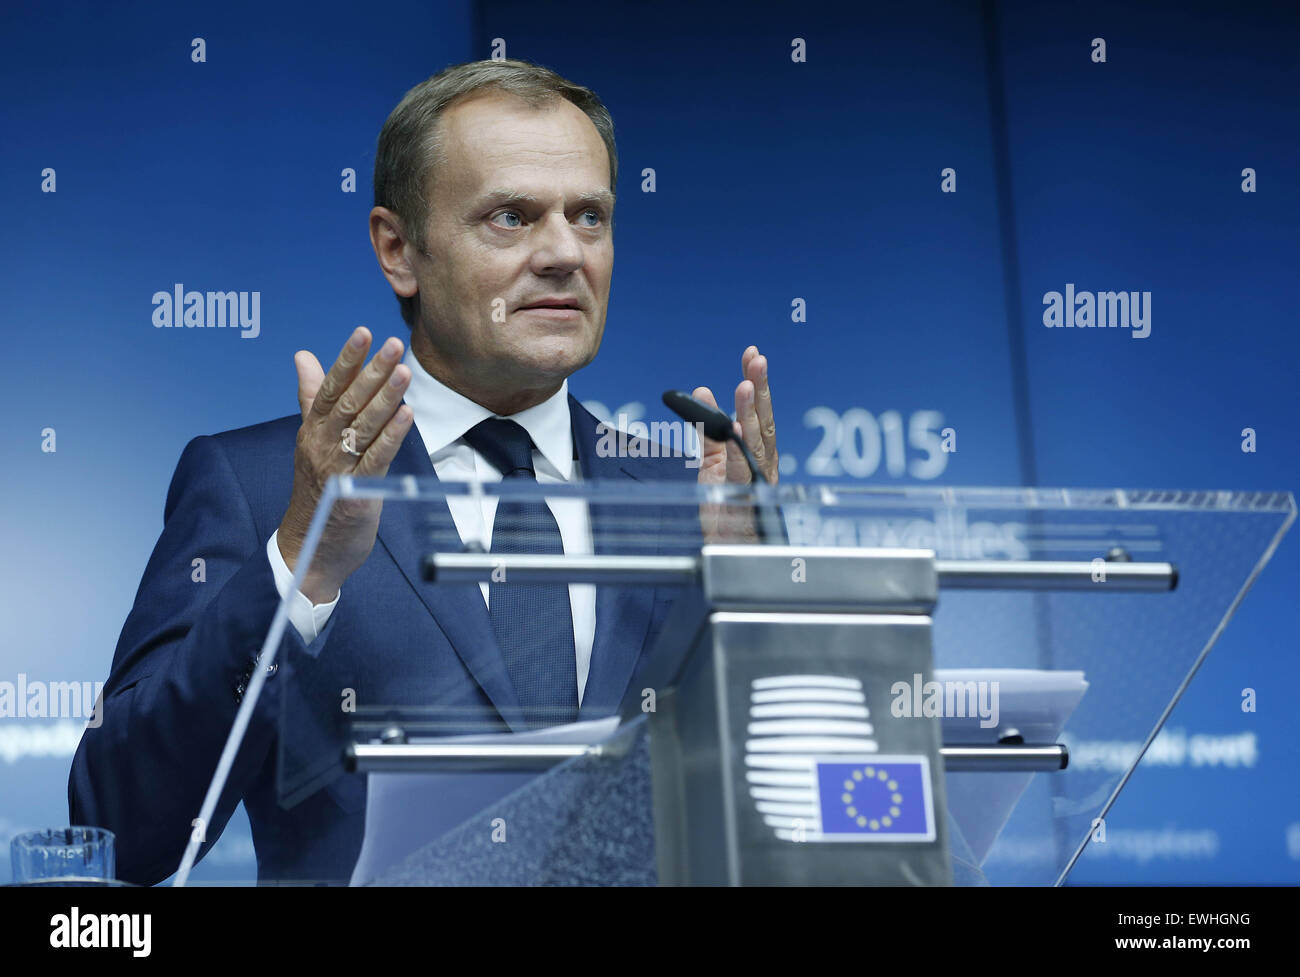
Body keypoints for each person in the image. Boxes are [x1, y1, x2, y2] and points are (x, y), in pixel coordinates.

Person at [68, 58, 779, 885]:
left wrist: (756, 606)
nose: (564, 253)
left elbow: (787, 811)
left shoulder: (690, 503)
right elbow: (119, 821)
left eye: (590, 216)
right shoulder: (261, 486)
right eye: (512, 217)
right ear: (398, 249)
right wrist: (303, 559)